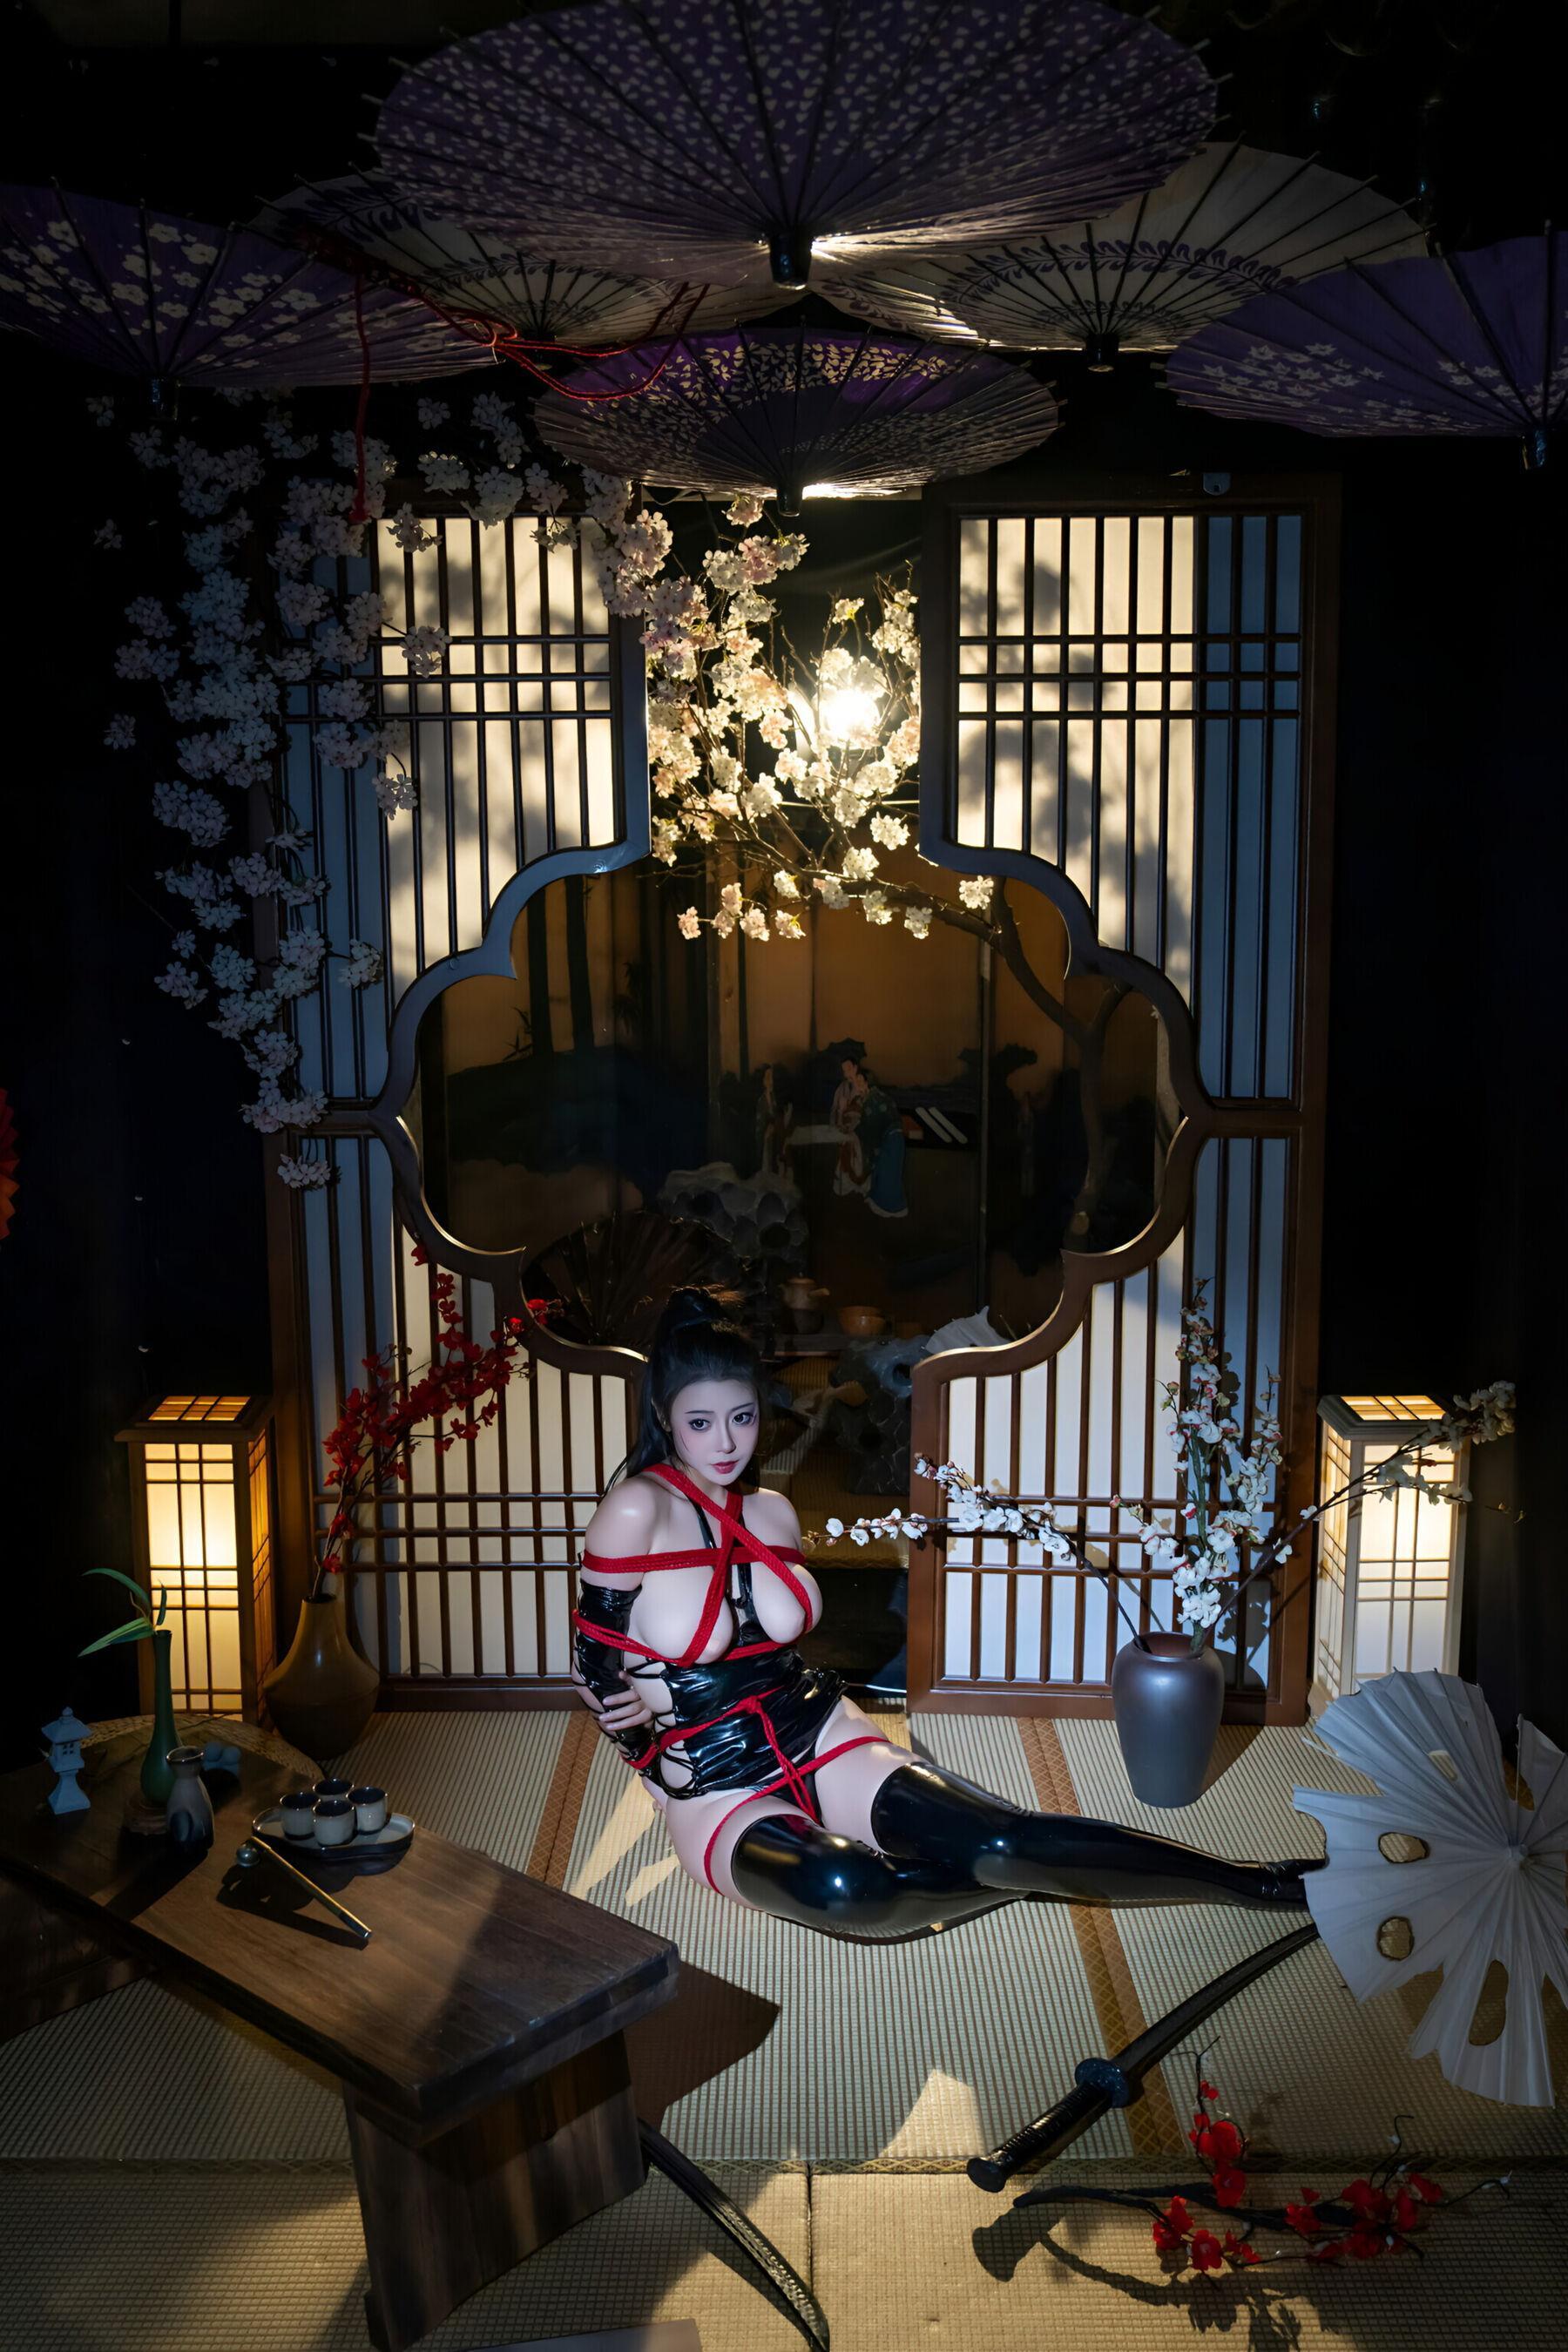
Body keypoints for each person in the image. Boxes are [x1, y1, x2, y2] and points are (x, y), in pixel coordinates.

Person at [571, 1289, 1321, 1940]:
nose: (728, 1442)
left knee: (1003, 1841)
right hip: (714, 1782)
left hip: (820, 1733)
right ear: (665, 1418)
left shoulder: (770, 1511)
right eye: (701, 1422)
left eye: (741, 1417)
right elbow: (592, 1664)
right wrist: (648, 1765)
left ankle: (1251, 1882)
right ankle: (1040, 1876)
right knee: (855, 1890)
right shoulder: (636, 1509)